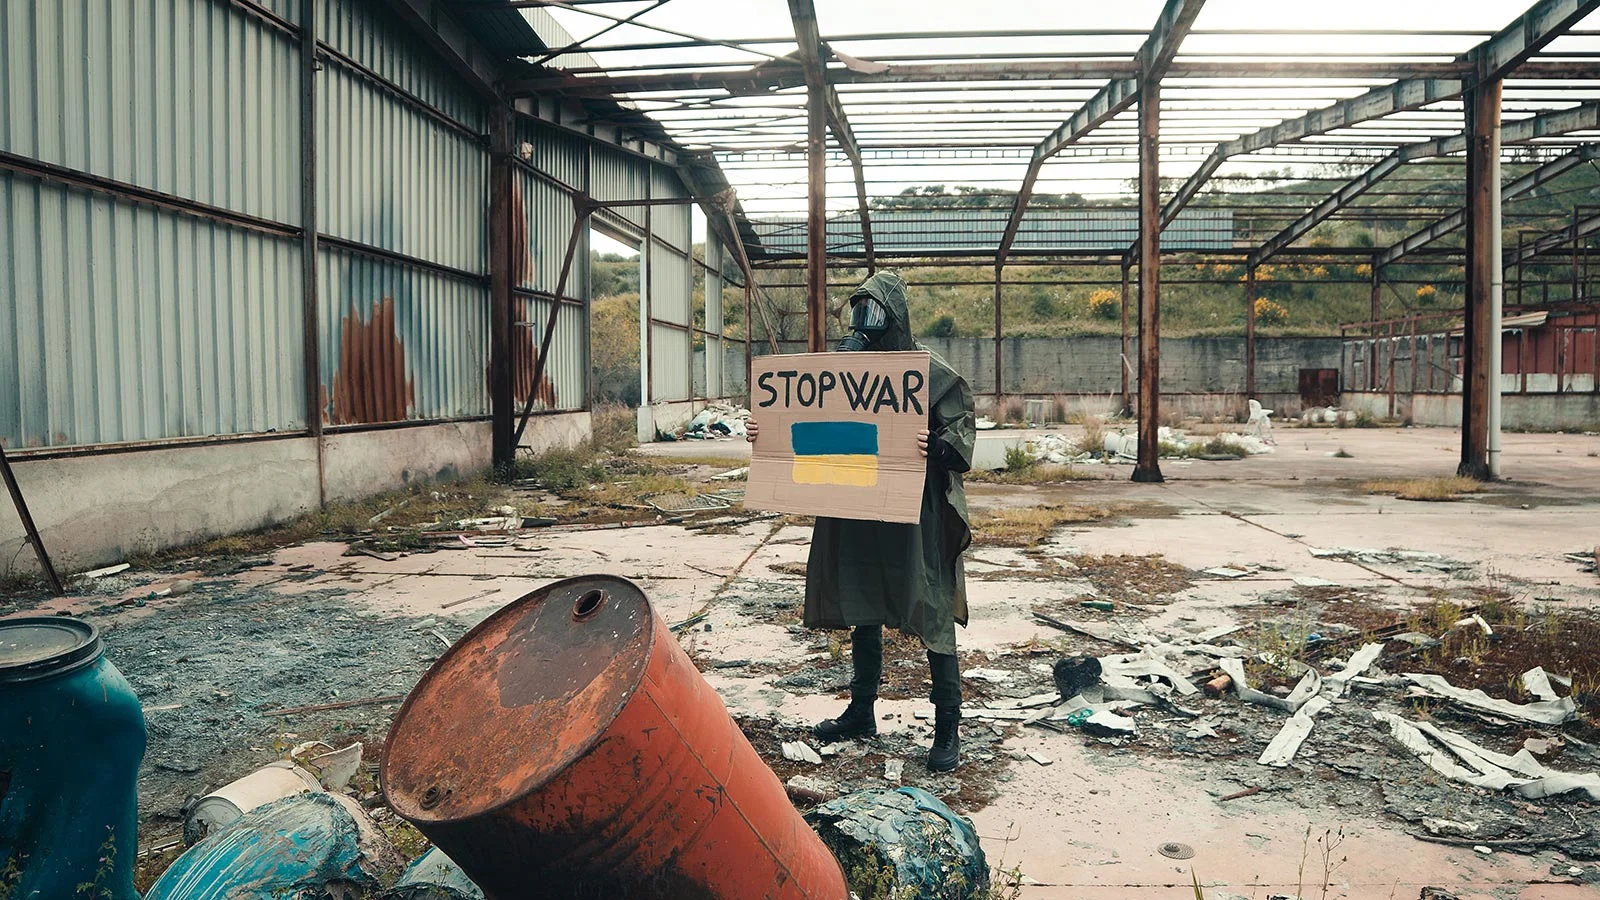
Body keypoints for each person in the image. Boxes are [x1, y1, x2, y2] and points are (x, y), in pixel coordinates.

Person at [745, 271, 976, 772]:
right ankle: (861, 710)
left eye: (874, 312)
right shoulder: (842, 373)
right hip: (859, 504)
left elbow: (961, 443)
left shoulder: (932, 374)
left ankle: (947, 726)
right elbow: (808, 424)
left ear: (895, 318)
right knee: (864, 601)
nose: (864, 324)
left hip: (915, 513)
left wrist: (934, 446)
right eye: (859, 312)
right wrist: (766, 432)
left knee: (930, 605)